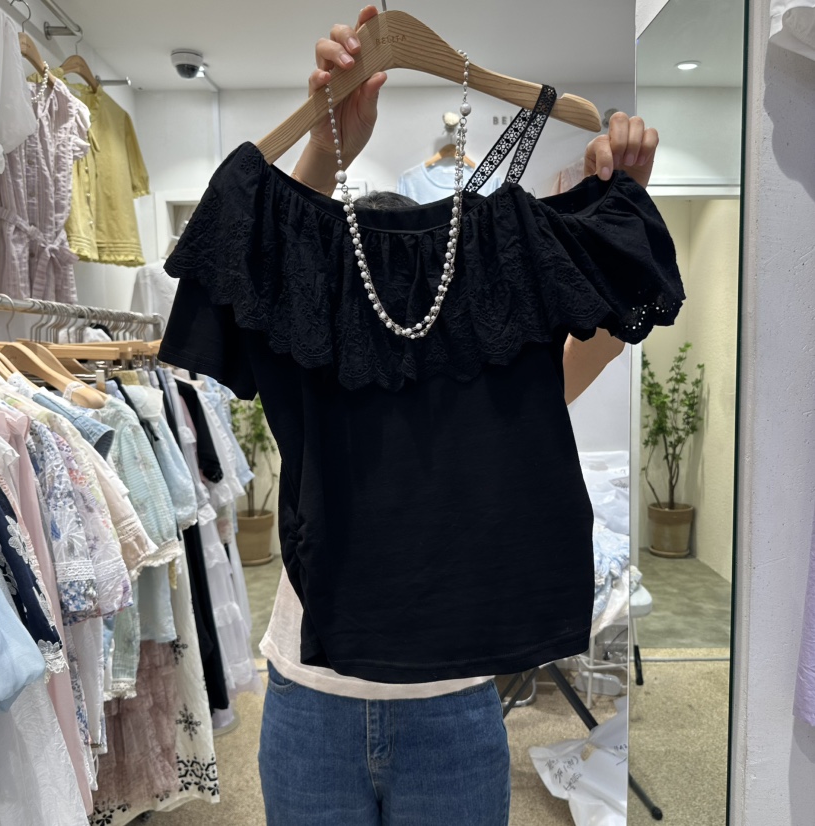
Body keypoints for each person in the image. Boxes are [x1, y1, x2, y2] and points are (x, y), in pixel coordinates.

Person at [256, 7, 663, 825]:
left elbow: (606, 333)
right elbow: (262, 282)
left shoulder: (489, 376)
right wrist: (327, 146)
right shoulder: (308, 366)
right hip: (310, 699)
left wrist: (620, 211)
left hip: (454, 702)